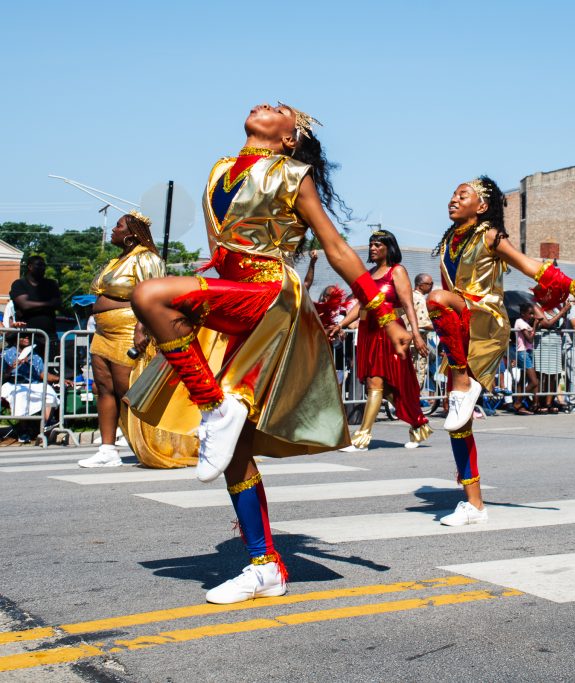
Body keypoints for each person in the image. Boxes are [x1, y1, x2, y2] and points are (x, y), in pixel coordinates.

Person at [127, 102, 410, 604]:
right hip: (235, 296)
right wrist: (183, 308)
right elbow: (220, 251)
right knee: (236, 448)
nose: (268, 106)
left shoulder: (292, 174)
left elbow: (337, 248)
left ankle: (216, 407)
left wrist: (384, 315)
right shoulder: (219, 171)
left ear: (287, 139)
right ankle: (265, 565)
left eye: (283, 111)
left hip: (271, 295)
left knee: (148, 294)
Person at [427, 176, 575, 526]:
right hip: (461, 324)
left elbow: (530, 266)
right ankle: (474, 504)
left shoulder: (490, 235)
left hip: (485, 319)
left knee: (435, 297)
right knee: (458, 425)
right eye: (452, 194)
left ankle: (465, 386)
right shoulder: (449, 241)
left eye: (463, 195)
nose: (453, 199)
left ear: (481, 207)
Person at [76, 211, 198, 469]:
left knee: (127, 390)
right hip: (103, 331)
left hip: (128, 328)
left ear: (131, 234)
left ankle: (147, 444)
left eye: (118, 226)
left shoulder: (147, 258)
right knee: (103, 387)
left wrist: (143, 327)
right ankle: (107, 449)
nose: (113, 230)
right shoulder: (116, 261)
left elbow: (152, 293)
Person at [341, 229, 432, 451]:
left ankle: (362, 437)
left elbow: (408, 304)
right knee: (385, 387)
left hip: (390, 332)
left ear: (388, 248)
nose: (372, 248)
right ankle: (418, 425)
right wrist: (340, 324)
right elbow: (361, 306)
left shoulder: (397, 271)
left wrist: (416, 334)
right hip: (368, 332)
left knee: (382, 383)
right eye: (371, 244)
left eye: (377, 245)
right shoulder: (368, 274)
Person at [0, 334, 65, 442]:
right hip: (14, 383)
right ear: (16, 339)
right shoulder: (7, 353)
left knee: (49, 392)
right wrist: (12, 367)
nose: (27, 339)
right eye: (23, 337)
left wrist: (60, 378)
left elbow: (42, 374)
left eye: (29, 337)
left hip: (33, 383)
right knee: (20, 395)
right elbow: (3, 375)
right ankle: (23, 429)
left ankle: (45, 426)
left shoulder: (34, 355)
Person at [10, 255, 61, 358]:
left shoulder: (51, 284)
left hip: (49, 337)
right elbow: (24, 305)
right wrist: (47, 304)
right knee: (27, 368)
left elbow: (57, 303)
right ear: (30, 266)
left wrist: (33, 304)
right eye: (39, 265)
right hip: (26, 337)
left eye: (44, 266)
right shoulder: (19, 284)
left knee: (50, 369)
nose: (42, 268)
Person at [534, 301, 570, 413]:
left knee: (555, 375)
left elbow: (561, 325)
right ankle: (539, 402)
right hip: (543, 343)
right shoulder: (536, 306)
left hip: (556, 342)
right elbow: (547, 324)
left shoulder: (556, 306)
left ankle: (549, 403)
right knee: (542, 374)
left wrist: (564, 313)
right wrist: (562, 312)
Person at [511, 304, 539, 414]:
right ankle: (518, 402)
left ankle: (521, 405)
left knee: (523, 380)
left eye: (533, 313)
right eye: (530, 313)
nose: (532, 315)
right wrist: (535, 326)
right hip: (523, 353)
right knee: (534, 381)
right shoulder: (520, 322)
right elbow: (530, 339)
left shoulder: (526, 323)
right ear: (523, 313)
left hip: (528, 352)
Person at [411, 273, 436, 391]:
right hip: (417, 343)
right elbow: (423, 323)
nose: (431, 286)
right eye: (429, 284)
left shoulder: (409, 296)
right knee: (417, 375)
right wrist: (441, 326)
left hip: (407, 341)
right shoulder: (420, 299)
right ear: (420, 285)